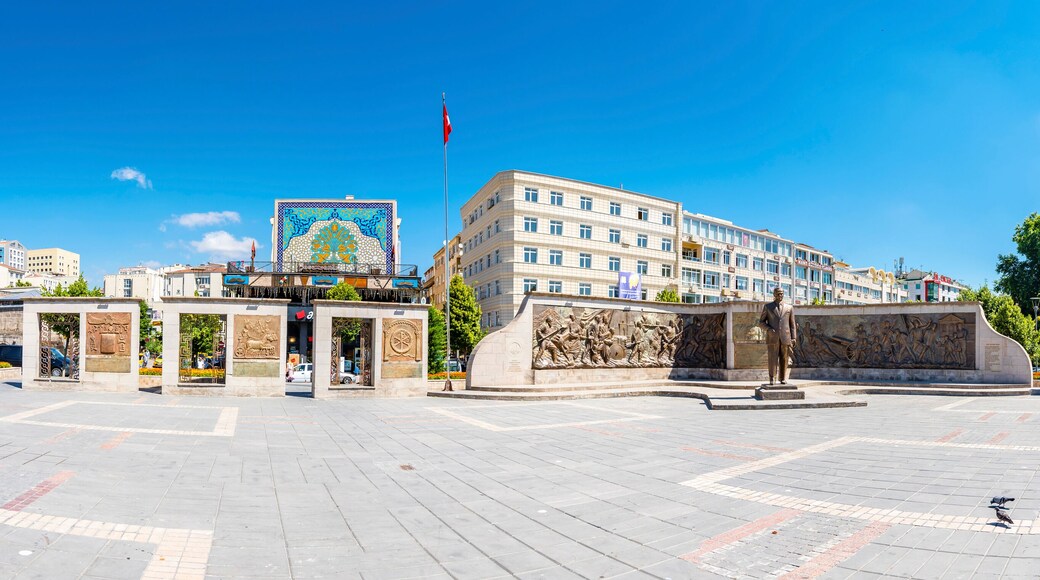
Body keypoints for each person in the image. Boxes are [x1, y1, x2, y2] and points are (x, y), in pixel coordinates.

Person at [758, 287, 797, 385]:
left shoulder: (789, 307)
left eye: (782, 293)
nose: (781, 295)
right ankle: (772, 378)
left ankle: (782, 378)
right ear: (774, 295)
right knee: (772, 359)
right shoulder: (768, 307)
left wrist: (794, 337)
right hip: (772, 337)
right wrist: (769, 329)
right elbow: (761, 322)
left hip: (786, 338)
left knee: (784, 358)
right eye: (779, 294)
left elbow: (792, 324)